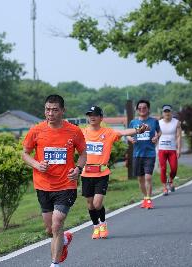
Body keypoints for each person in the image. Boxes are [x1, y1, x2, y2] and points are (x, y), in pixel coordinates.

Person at [22, 95, 87, 267]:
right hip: (43, 186)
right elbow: (24, 153)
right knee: (50, 230)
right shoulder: (36, 130)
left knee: (57, 223)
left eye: (55, 110)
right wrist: (37, 164)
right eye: (47, 109)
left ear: (63, 111)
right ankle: (64, 240)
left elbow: (83, 154)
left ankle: (54, 264)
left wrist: (78, 169)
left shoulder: (74, 131)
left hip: (66, 184)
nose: (50, 113)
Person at [81, 106, 148, 239]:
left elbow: (123, 132)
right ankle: (95, 226)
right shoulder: (82, 132)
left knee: (97, 203)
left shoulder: (108, 132)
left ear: (101, 118)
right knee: (90, 203)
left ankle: (103, 224)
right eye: (90, 115)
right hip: (86, 173)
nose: (92, 117)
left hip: (102, 174)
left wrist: (137, 130)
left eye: (95, 115)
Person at [127, 100, 161, 209]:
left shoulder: (154, 121)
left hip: (149, 153)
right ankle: (145, 197)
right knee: (140, 179)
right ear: (137, 110)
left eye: (144, 108)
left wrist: (156, 137)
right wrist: (130, 139)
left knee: (148, 177)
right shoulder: (133, 122)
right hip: (137, 154)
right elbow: (127, 134)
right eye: (140, 108)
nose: (142, 109)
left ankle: (149, 199)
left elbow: (159, 131)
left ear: (148, 109)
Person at [158, 105, 182, 196]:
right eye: (165, 111)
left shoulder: (177, 122)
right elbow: (156, 135)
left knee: (174, 168)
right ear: (162, 113)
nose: (167, 113)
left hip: (172, 149)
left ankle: (170, 179)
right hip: (162, 149)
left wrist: (179, 149)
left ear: (171, 112)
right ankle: (164, 188)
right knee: (163, 168)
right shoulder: (159, 123)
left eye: (168, 111)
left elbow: (179, 136)